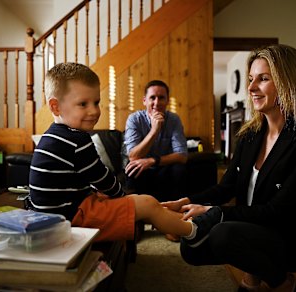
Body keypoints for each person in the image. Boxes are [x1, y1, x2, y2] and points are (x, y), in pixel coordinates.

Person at [162, 44, 296, 291]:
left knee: (222, 233)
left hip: (287, 235)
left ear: (289, 83)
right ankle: (253, 273)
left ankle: (283, 282)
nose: (251, 88)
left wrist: (213, 213)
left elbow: (278, 211)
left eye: (263, 79)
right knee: (191, 248)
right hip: (254, 227)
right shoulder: (250, 135)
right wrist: (185, 201)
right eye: (251, 79)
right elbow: (227, 187)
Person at [28, 62, 195, 242]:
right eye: (83, 104)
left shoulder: (51, 136)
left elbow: (78, 182)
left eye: (96, 102)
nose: (94, 111)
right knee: (145, 203)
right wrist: (123, 198)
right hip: (70, 219)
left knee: (143, 202)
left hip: (58, 215)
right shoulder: (78, 140)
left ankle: (174, 220)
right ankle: (194, 230)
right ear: (55, 106)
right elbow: (103, 178)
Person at [124, 80, 188, 202]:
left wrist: (152, 161)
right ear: (145, 101)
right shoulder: (134, 119)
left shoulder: (174, 120)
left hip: (164, 166)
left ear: (167, 101)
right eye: (152, 98)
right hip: (143, 169)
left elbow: (182, 156)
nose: (157, 102)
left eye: (161, 98)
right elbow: (133, 156)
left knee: (179, 169)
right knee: (132, 168)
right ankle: (137, 211)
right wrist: (154, 130)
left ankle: (174, 209)